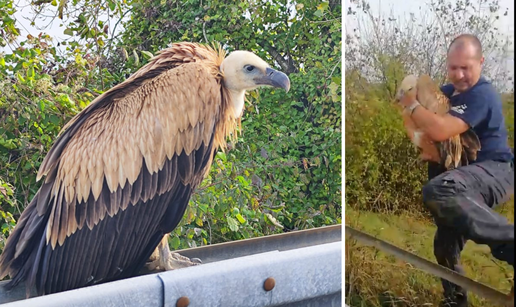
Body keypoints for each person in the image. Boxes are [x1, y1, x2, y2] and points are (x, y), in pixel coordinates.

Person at [398, 33, 514, 307]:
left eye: (466, 67)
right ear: (447, 64)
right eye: (454, 67)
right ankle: (455, 302)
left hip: (496, 170)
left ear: (481, 63)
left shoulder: (481, 94)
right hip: (464, 178)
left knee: (440, 189)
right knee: (445, 245)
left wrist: (412, 104)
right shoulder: (445, 95)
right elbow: (420, 129)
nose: (459, 74)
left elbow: (438, 129)